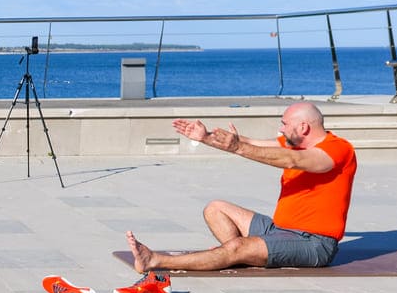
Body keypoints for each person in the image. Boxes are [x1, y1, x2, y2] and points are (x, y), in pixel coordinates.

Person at [125, 102, 358, 276]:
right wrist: (206, 137)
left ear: (303, 127)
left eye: (284, 124)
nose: (281, 129)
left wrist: (237, 147)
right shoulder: (293, 143)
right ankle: (240, 254)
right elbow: (251, 144)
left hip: (313, 243)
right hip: (277, 229)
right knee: (216, 208)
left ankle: (154, 260)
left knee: (236, 247)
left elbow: (291, 161)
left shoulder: (338, 150)